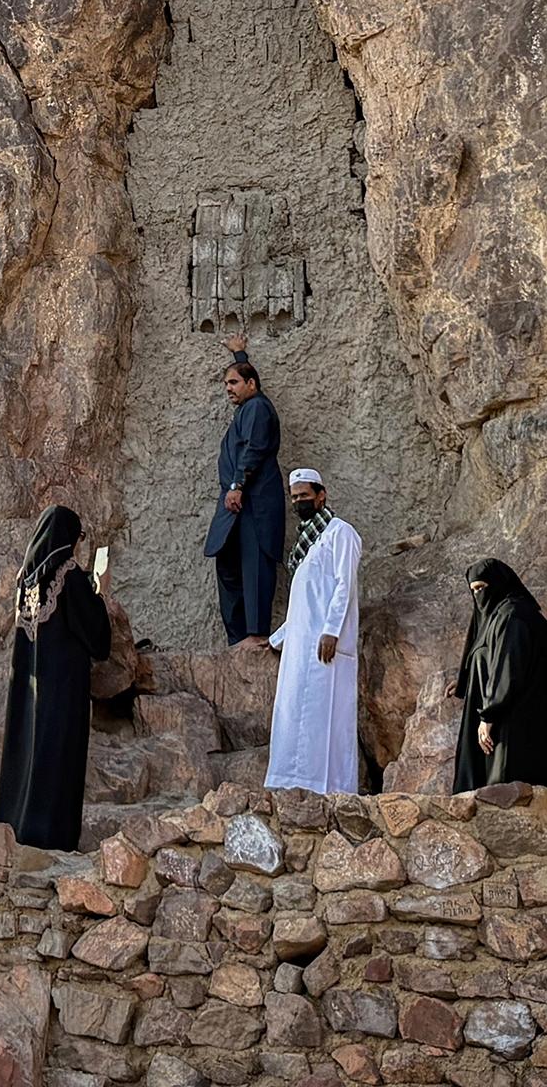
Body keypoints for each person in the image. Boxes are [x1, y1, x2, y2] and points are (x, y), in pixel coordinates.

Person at [0, 505, 112, 850]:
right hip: (63, 689)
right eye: (78, 537)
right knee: (58, 756)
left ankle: (17, 823)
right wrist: (101, 592)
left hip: (29, 689)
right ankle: (50, 836)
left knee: (29, 750)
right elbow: (97, 637)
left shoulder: (25, 580)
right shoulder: (68, 574)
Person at [265, 470, 362, 793]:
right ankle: (291, 784)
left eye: (304, 496)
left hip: (327, 644)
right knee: (293, 713)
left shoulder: (340, 532)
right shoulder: (306, 542)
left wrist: (331, 631)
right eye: (294, 497)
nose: (299, 502)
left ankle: (331, 789)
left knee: (325, 718)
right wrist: (277, 639)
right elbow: (304, 605)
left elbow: (344, 585)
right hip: (301, 645)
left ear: (321, 496)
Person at [203, 335, 285, 648]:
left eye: (234, 382)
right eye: (226, 383)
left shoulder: (257, 407)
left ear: (251, 384)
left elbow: (254, 447)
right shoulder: (248, 407)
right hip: (237, 506)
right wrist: (239, 353)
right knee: (229, 564)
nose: (228, 388)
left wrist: (237, 486)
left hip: (252, 502)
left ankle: (256, 635)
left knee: (256, 566)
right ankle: (238, 639)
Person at [452, 557, 547, 792]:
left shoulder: (512, 617)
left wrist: (488, 716)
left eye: (481, 587)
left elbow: (509, 670)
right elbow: (488, 657)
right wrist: (465, 681)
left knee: (505, 790)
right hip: (514, 717)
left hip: (513, 722)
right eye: (473, 590)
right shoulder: (505, 614)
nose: (478, 595)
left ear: (498, 583)